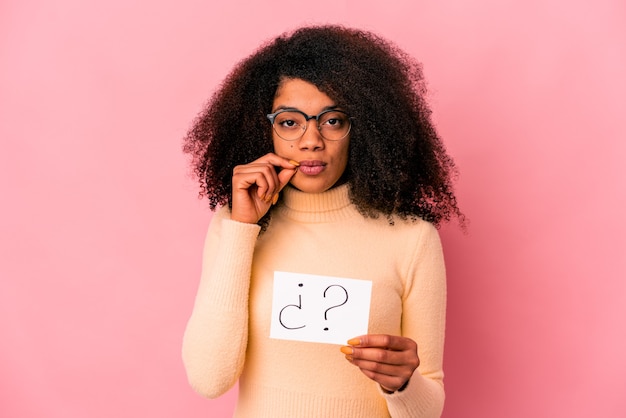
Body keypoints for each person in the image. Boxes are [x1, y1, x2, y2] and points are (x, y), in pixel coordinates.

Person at [181, 25, 463, 418]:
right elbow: (209, 380)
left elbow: (427, 409)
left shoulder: (412, 238)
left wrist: (400, 384)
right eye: (290, 121)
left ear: (361, 128)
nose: (311, 140)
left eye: (331, 120)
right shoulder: (235, 226)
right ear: (265, 129)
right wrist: (241, 229)